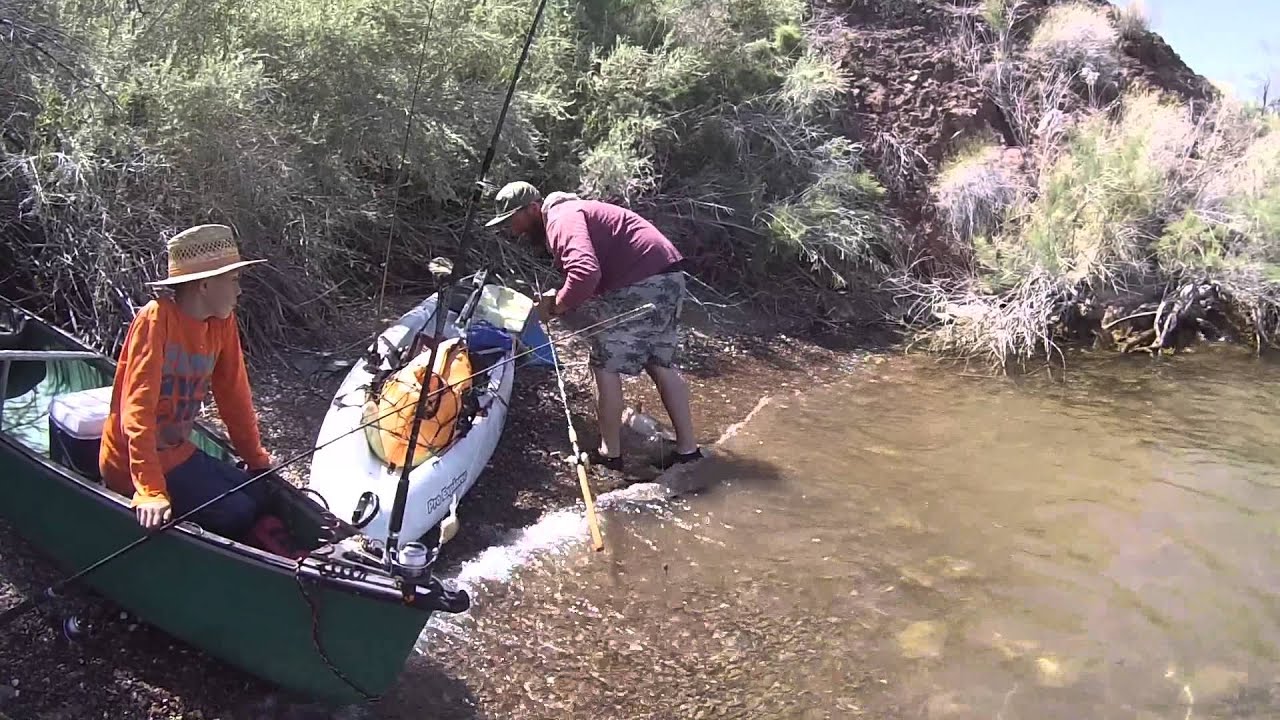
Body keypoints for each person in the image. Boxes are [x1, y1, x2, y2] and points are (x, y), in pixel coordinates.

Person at [485, 181, 704, 472]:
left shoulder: (561, 218)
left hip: (643, 282)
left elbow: (586, 273)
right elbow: (592, 273)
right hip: (667, 277)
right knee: (657, 360)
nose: (513, 229)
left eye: (514, 219)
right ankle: (688, 451)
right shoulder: (574, 212)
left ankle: (610, 454)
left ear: (534, 208)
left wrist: (557, 306)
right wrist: (558, 297)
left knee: (604, 364)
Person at [99, 223, 277, 539]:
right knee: (237, 513)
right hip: (132, 464)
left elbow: (234, 394)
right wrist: (150, 490)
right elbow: (136, 414)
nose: (239, 290)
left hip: (177, 452)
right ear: (205, 285)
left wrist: (255, 459)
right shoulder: (157, 320)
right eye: (233, 280)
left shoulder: (222, 323)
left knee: (260, 496)